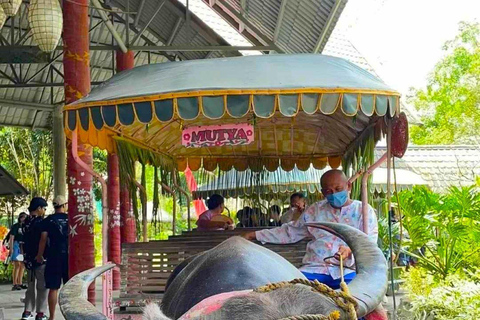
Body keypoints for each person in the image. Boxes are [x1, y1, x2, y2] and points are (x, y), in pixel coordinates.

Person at [243, 170, 378, 290]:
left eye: (338, 188)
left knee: (356, 303)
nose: (334, 194)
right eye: (328, 191)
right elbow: (290, 232)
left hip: (348, 271)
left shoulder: (364, 210)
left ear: (348, 186)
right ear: (322, 192)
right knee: (289, 292)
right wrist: (254, 235)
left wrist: (350, 251)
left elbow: (370, 243)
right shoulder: (315, 210)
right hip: (314, 268)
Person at [37, 196, 69, 320]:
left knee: (53, 288)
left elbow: (43, 239)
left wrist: (40, 255)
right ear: (64, 205)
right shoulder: (69, 219)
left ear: (54, 206)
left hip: (53, 256)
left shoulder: (48, 220)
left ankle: (52, 316)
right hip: (67, 256)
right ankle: (68, 316)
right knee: (68, 289)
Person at [21, 197, 48, 320]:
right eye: (44, 208)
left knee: (30, 286)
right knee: (42, 287)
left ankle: (27, 311)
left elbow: (22, 242)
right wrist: (40, 255)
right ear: (39, 208)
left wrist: (25, 257)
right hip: (40, 259)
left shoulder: (24, 222)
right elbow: (43, 239)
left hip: (28, 260)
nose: (44, 210)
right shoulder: (42, 222)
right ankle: (40, 313)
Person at [9, 212, 28, 291]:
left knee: (22, 265)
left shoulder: (26, 227)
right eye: (22, 217)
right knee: (17, 264)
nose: (23, 219)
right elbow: (12, 237)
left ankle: (20, 282)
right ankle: (15, 283)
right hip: (16, 245)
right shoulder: (15, 226)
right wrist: (11, 248)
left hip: (23, 246)